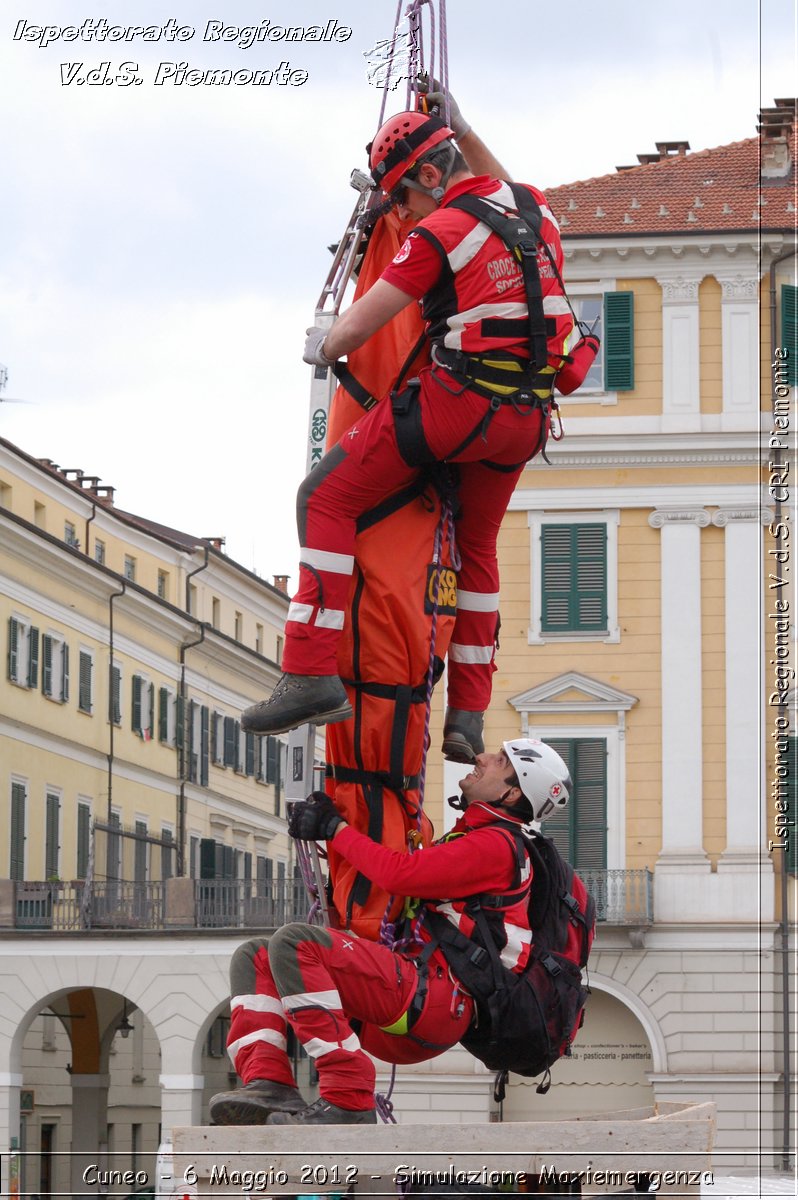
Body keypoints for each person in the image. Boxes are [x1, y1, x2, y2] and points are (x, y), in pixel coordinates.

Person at [242, 89, 598, 762]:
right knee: (480, 552)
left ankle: (310, 669)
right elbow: (496, 175)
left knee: (324, 497)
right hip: (526, 420)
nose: (399, 213)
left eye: (400, 197)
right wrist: (462, 122)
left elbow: (359, 328)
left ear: (430, 176)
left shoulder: (440, 233)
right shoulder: (535, 210)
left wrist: (320, 345)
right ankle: (467, 713)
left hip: (455, 409)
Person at [208, 738, 571, 1126]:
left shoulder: (496, 844)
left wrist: (335, 828)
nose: (482, 758)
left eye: (499, 761)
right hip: (418, 994)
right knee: (255, 956)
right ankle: (268, 1080)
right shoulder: (475, 837)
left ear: (512, 791)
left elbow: (401, 875)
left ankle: (349, 1097)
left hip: (435, 999)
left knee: (296, 943)